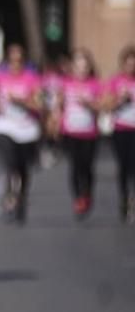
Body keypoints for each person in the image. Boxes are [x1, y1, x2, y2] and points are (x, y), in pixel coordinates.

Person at [0, 43, 44, 223]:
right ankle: (10, 192)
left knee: (23, 168)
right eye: (12, 61)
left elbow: (39, 104)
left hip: (26, 128)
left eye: (19, 60)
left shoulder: (32, 78)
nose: (15, 64)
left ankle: (21, 198)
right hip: (4, 125)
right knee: (9, 162)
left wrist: (21, 101)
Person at [56, 48, 102, 218]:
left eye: (85, 66)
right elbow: (59, 106)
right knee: (75, 167)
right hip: (70, 132)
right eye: (78, 66)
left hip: (89, 133)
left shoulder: (95, 84)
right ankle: (78, 198)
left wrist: (89, 104)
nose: (81, 69)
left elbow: (102, 106)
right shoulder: (65, 83)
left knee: (87, 167)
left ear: (89, 67)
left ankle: (88, 193)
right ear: (73, 67)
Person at [104, 45, 135, 223]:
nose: (131, 68)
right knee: (124, 166)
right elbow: (107, 106)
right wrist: (120, 100)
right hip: (121, 129)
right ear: (123, 65)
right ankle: (124, 198)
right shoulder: (115, 81)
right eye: (128, 64)